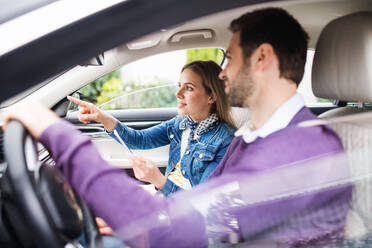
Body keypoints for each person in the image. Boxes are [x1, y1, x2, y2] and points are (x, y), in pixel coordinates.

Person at [3, 7, 352, 247]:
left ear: (262, 58)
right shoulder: (256, 138)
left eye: (228, 58)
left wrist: (53, 129)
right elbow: (193, 210)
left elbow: (176, 236)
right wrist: (135, 219)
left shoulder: (303, 149)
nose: (223, 72)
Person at [68, 60, 236, 196]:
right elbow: (140, 139)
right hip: (165, 198)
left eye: (189, 88)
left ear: (211, 96)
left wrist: (158, 180)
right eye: (180, 86)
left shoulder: (226, 141)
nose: (178, 94)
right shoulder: (180, 123)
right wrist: (102, 117)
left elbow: (203, 202)